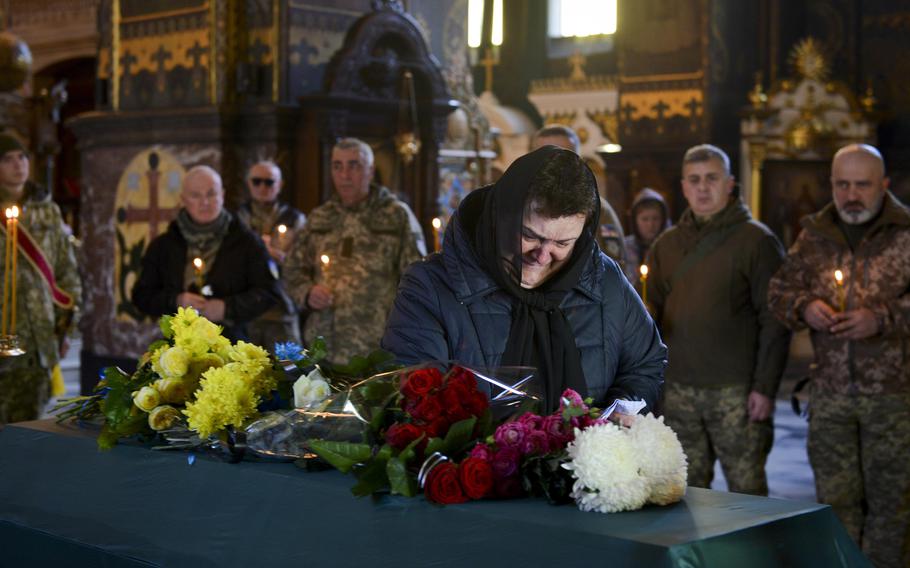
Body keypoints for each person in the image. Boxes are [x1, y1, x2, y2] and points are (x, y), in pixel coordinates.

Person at [382, 146, 666, 416]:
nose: (542, 256)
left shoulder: (603, 280)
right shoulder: (430, 287)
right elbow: (415, 399)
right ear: (500, 218)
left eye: (563, 243)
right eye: (530, 236)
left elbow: (646, 363)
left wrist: (622, 410)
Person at [767, 144, 910, 568]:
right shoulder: (815, 235)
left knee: (893, 510)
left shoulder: (905, 233)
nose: (851, 194)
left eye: (862, 185)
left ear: (883, 185)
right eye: (842, 184)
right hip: (829, 398)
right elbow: (779, 291)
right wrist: (805, 307)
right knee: (835, 504)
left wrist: (882, 319)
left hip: (894, 400)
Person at [645, 144, 790, 495]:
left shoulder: (756, 241)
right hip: (679, 390)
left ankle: (752, 553)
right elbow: (650, 316)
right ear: (683, 187)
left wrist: (765, 387)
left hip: (736, 393)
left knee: (747, 495)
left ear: (729, 183)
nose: (703, 187)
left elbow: (776, 319)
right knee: (684, 493)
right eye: (694, 180)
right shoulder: (667, 245)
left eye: (712, 178)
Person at [283, 138, 426, 363]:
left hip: (378, 348)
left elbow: (418, 280)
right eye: (337, 166)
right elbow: (292, 269)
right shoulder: (321, 216)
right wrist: (307, 293)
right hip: (324, 347)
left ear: (370, 171)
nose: (344, 174)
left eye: (354, 165)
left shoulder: (396, 215)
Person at [132, 165, 279, 341]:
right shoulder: (163, 245)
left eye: (211, 194)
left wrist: (226, 308)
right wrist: (176, 301)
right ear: (183, 199)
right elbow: (141, 296)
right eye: (196, 195)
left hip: (233, 345)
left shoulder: (247, 242)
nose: (205, 202)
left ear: (222, 195)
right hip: (178, 345)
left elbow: (269, 292)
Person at [0, 133, 80, 424]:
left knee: (26, 426)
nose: (17, 165)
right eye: (8, 159)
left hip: (38, 337)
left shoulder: (48, 211)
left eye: (22, 157)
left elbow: (67, 272)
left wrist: (67, 328)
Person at [531, 125, 626, 265]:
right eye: (544, 156)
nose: (552, 164)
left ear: (577, 161)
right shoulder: (521, 206)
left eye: (562, 156)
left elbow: (613, 264)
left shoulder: (598, 209)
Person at [236, 160, 305, 348]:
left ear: (280, 184)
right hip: (248, 309)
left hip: (282, 308)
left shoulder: (295, 219)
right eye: (256, 181)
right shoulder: (237, 220)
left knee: (291, 369)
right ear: (248, 184)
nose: (262, 187)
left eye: (269, 182)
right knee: (247, 370)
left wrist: (283, 258)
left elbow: (306, 260)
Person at [623, 187, 671, 287]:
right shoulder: (624, 248)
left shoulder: (670, 247)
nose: (650, 225)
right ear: (635, 221)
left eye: (655, 219)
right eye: (645, 219)